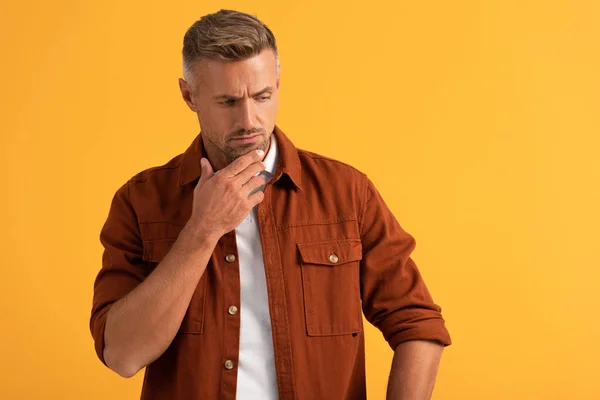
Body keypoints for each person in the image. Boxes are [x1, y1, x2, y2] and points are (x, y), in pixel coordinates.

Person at [90, 9, 451, 400]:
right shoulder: (141, 201)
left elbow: (419, 326)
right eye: (227, 101)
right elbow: (123, 356)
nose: (250, 120)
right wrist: (202, 230)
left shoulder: (347, 194)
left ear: (278, 82)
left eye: (262, 96)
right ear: (188, 95)